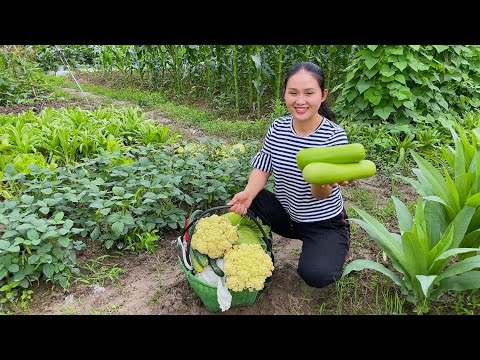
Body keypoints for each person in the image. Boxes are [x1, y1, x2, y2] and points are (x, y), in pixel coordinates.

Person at [228, 61, 351, 289]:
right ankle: (261, 259)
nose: (300, 100)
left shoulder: (334, 137)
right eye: (293, 93)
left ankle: (333, 247)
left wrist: (322, 181)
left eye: (309, 93)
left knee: (317, 275)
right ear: (284, 93)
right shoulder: (278, 127)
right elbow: (264, 165)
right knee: (252, 200)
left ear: (323, 95)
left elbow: (320, 194)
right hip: (287, 214)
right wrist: (248, 193)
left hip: (322, 222)